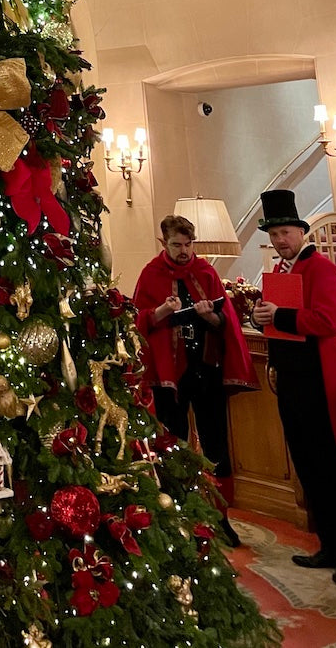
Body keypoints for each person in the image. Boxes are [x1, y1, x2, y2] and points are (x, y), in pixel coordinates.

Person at [134, 212, 257, 546]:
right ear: (165, 243)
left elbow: (225, 321)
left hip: (206, 369)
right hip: (169, 375)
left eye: (188, 244)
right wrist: (161, 312)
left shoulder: (206, 272)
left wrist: (211, 316)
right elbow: (138, 320)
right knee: (173, 444)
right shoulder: (151, 274)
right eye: (177, 244)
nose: (184, 251)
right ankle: (179, 516)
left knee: (216, 444)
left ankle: (221, 517)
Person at [251, 189, 336, 583]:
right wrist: (262, 318)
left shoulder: (322, 269)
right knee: (307, 464)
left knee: (332, 465)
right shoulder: (277, 272)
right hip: (290, 380)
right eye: (274, 235)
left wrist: (281, 315)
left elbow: (327, 321)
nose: (280, 240)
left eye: (286, 232)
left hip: (319, 382)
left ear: (301, 231)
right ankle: (328, 545)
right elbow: (279, 321)